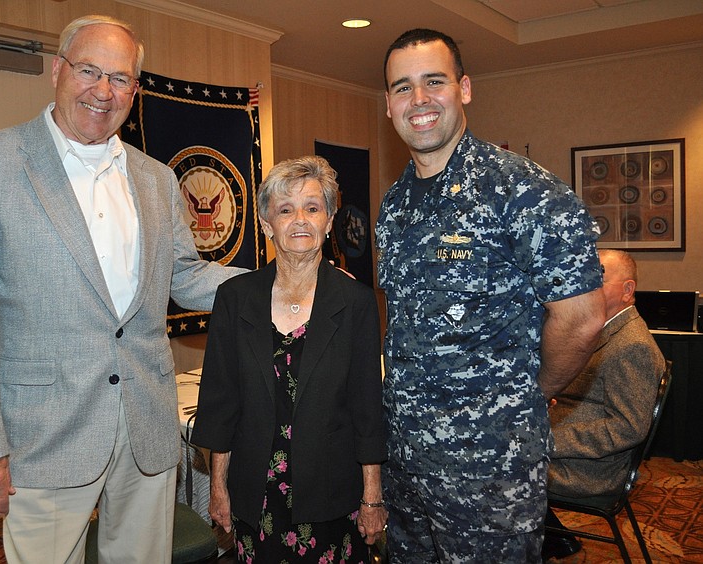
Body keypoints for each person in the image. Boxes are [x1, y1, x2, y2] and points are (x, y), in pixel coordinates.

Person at [0, 14, 244, 563]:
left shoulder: (158, 179)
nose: (104, 90)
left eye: (121, 78)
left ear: (135, 90)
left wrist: (280, 283)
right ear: (57, 70)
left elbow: (187, 277)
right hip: (45, 436)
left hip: (146, 426)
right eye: (88, 70)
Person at [376, 28, 607, 562]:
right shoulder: (395, 205)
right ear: (387, 105)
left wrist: (525, 397)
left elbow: (582, 320)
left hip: (489, 476)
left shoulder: (525, 192)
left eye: (433, 82)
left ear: (465, 88)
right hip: (407, 464)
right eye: (402, 87)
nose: (419, 101)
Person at [192, 156, 388, 562]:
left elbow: (367, 408)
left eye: (313, 208)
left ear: (329, 221)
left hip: (332, 495)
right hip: (254, 495)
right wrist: (218, 488)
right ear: (267, 224)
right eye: (285, 210)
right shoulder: (234, 299)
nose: (300, 219)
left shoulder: (355, 302)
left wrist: (372, 497)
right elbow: (220, 405)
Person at [542, 249, 666, 560]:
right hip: (573, 447)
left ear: (627, 290)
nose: (586, 284)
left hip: (592, 471)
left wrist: (548, 440)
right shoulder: (604, 329)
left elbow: (628, 428)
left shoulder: (633, 345)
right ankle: (556, 539)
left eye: (598, 277)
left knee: (490, 467)